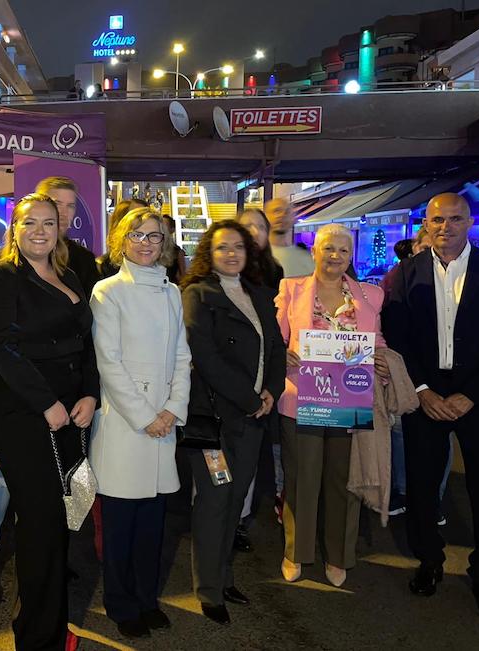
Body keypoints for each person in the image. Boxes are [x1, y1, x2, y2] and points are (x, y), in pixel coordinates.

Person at [0, 193, 99, 651]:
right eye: (30, 222)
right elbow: (1, 347)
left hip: (70, 410)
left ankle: (51, 622)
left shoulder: (68, 274)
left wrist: (90, 393)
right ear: (14, 228)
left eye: (48, 223)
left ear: (59, 229)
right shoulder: (1, 277)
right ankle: (37, 637)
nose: (40, 231)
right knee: (41, 522)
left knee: (64, 516)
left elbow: (85, 341)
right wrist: (47, 402)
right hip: (24, 413)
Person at [382, 193, 479, 618]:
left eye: (455, 219)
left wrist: (473, 393)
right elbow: (398, 338)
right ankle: (429, 561)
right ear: (426, 225)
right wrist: (423, 390)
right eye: (437, 220)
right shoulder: (404, 274)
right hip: (426, 392)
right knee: (422, 485)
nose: (446, 227)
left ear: (470, 222)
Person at [90, 208, 190, 638]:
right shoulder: (107, 291)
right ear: (121, 240)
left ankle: (147, 599)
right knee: (120, 527)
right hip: (126, 425)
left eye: (155, 236)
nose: (146, 243)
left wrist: (172, 409)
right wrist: (148, 416)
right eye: (137, 235)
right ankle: (120, 603)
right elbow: (108, 364)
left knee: (152, 525)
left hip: (162, 425)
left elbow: (182, 357)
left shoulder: (172, 292)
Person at [180, 221, 286, 624]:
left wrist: (271, 390)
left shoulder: (259, 294)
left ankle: (223, 577)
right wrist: (249, 399)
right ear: (209, 253)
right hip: (214, 418)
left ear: (248, 252)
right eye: (222, 247)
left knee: (236, 500)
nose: (231, 254)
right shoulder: (197, 294)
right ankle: (208, 590)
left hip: (254, 417)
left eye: (238, 247)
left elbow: (275, 348)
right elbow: (205, 356)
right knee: (215, 500)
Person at [276, 224, 388, 588]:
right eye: (328, 248)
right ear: (314, 252)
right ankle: (296, 551)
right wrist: (283, 355)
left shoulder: (370, 295)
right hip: (302, 399)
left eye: (342, 249)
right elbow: (274, 338)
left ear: (350, 255)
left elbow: (377, 340)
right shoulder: (291, 289)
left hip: (350, 400)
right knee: (301, 479)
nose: (335, 255)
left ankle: (338, 555)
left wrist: (382, 359)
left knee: (344, 482)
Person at [235, 207, 285, 549]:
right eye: (247, 227)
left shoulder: (274, 272)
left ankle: (240, 518)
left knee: (251, 455)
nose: (254, 232)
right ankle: (212, 515)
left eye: (260, 227)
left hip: (262, 371)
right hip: (229, 375)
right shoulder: (219, 271)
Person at [36, 177, 101, 298]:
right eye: (57, 204)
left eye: (70, 206)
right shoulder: (16, 256)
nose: (64, 213)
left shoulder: (84, 259)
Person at [265, 198, 314, 278]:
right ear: (264, 217)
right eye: (276, 211)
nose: (281, 215)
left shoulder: (307, 259)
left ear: (293, 219)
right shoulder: (256, 256)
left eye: (287, 212)